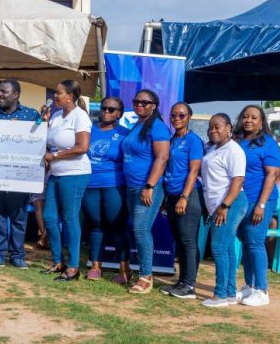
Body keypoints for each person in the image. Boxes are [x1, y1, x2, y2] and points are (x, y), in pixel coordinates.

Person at [0, 79, 39, 269]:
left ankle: (17, 256)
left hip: (20, 176)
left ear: (16, 95)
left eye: (4, 92)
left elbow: (39, 141)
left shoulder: (31, 115)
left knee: (18, 218)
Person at [120, 89, 170, 294]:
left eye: (145, 102)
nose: (140, 104)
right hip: (131, 187)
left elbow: (162, 158)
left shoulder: (158, 127)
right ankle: (135, 272)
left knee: (141, 230)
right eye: (137, 101)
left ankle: (146, 277)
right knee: (136, 229)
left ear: (154, 105)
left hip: (147, 188)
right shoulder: (137, 125)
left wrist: (149, 186)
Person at [42, 80, 91, 281]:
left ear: (70, 96)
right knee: (49, 217)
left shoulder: (80, 117)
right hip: (55, 173)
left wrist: (55, 156)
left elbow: (82, 147)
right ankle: (57, 261)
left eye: (59, 93)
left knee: (70, 219)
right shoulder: (55, 116)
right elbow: (48, 143)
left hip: (75, 173)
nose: (55, 96)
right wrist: (43, 121)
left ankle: (72, 267)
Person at [234, 105, 280, 307]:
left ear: (261, 122)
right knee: (246, 242)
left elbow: (272, 174)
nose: (249, 120)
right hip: (242, 200)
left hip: (260, 200)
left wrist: (261, 205)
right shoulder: (237, 141)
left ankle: (262, 291)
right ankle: (249, 286)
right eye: (245, 116)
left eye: (254, 117)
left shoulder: (267, 143)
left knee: (254, 242)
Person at [81, 96, 131, 283]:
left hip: (114, 185)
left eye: (111, 109)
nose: (106, 111)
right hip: (90, 184)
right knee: (95, 225)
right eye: (104, 108)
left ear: (119, 113)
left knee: (116, 225)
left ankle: (124, 269)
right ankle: (96, 267)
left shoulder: (125, 134)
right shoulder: (89, 130)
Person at [200, 113, 247, 307]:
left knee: (218, 247)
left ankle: (219, 295)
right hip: (220, 205)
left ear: (229, 128)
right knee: (227, 248)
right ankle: (229, 292)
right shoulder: (213, 148)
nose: (213, 130)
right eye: (210, 127)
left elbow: (238, 180)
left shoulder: (233, 150)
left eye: (217, 126)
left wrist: (225, 206)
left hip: (230, 204)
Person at [161, 102, 205, 299]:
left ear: (189, 118)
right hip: (172, 196)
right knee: (179, 240)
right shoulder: (172, 140)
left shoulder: (193, 140)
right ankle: (182, 281)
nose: (177, 118)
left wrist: (184, 197)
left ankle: (190, 286)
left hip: (188, 196)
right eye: (174, 115)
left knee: (188, 241)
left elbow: (194, 171)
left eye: (181, 115)